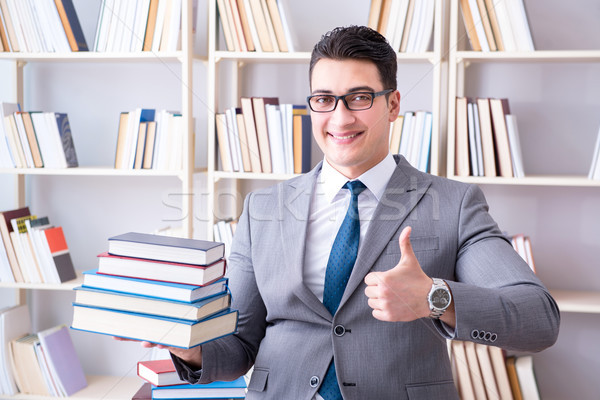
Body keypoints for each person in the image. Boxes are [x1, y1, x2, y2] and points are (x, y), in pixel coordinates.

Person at [140, 25, 560, 399]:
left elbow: (538, 319)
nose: (340, 118)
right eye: (324, 99)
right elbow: (240, 347)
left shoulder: (453, 203)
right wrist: (187, 345)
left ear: (393, 105)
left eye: (359, 97)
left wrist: (436, 296)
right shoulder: (262, 208)